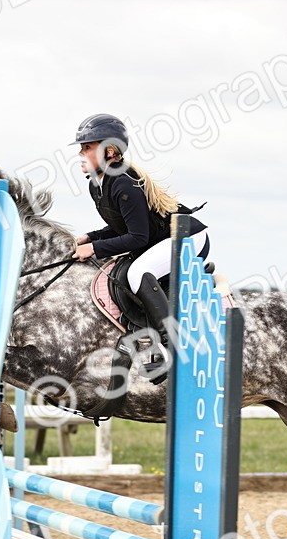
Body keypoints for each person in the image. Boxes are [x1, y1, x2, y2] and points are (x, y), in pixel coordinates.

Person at [71, 113, 209, 382]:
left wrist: (95, 249)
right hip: (164, 239)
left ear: (109, 151)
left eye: (87, 147)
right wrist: (88, 238)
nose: (81, 153)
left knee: (137, 273)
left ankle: (172, 345)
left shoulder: (123, 182)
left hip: (188, 238)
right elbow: (122, 227)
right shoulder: (98, 185)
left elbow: (137, 238)